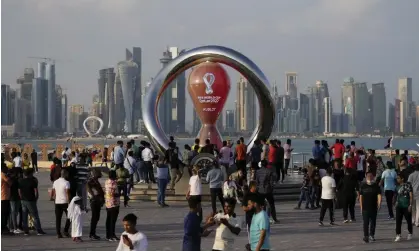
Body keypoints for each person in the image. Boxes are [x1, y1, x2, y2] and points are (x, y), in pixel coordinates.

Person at [18, 168, 46, 235]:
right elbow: (36, 191)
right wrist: (36, 198)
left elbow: (19, 191)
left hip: (23, 200)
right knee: (35, 215)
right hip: (31, 200)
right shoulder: (33, 181)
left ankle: (26, 231)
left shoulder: (21, 181)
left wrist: (21, 197)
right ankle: (39, 230)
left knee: (24, 216)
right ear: (30, 174)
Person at [359, 171, 382, 243]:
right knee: (365, 222)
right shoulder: (362, 185)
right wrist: (361, 206)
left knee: (373, 222)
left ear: (373, 177)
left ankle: (372, 235)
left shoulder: (376, 186)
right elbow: (360, 196)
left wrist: (379, 203)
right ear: (366, 177)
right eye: (368, 176)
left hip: (373, 207)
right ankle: (366, 236)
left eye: (371, 176)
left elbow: (379, 195)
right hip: (365, 207)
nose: (369, 177)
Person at [51, 169, 71, 238]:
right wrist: (69, 203)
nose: (68, 175)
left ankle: (58, 233)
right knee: (69, 217)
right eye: (67, 174)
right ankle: (65, 230)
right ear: (65, 174)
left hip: (57, 202)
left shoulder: (55, 182)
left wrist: (52, 197)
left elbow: (53, 191)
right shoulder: (67, 182)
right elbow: (67, 193)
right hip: (65, 202)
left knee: (58, 218)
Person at [394, 173, 413, 242]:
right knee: (398, 221)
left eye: (398, 178)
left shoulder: (408, 185)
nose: (397, 179)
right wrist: (395, 202)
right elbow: (396, 195)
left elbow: (411, 196)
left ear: (402, 179)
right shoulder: (397, 186)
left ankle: (410, 233)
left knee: (408, 221)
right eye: (397, 178)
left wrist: (410, 205)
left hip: (406, 206)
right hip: (399, 206)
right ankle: (398, 234)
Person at [87, 169, 105, 240]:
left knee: (96, 217)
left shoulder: (95, 180)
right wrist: (94, 196)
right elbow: (88, 187)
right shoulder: (91, 181)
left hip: (98, 201)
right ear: (94, 174)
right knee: (94, 218)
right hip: (94, 201)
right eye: (98, 173)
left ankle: (93, 233)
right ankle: (92, 234)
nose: (100, 175)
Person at [105, 170, 120, 241]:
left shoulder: (107, 181)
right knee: (112, 221)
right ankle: (112, 235)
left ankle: (108, 235)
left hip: (108, 203)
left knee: (108, 219)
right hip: (114, 203)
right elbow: (113, 194)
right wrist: (120, 194)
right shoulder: (114, 183)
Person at [1, 164, 12, 235]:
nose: (7, 168)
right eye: (6, 167)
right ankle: (3, 228)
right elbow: (10, 183)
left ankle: (4, 227)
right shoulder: (3, 175)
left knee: (4, 213)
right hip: (4, 196)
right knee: (4, 213)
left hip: (3, 196)